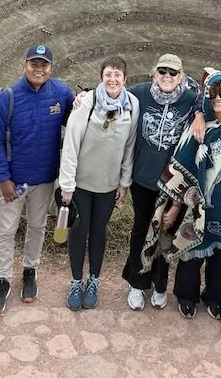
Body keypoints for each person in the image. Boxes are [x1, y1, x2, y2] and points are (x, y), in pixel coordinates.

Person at [145, 72, 221, 321]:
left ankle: (215, 296)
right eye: (212, 94)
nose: (218, 98)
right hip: (199, 205)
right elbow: (183, 165)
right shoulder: (197, 129)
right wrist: (176, 206)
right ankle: (186, 295)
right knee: (194, 249)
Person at [0, 44, 75, 313]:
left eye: (44, 65)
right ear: (25, 65)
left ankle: (29, 271)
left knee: (37, 227)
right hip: (13, 181)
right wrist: (2, 179)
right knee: (6, 230)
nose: (39, 69)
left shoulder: (61, 93)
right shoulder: (7, 98)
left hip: (45, 179)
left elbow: (76, 124)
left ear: (51, 68)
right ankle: (2, 279)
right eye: (34, 64)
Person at [58, 55, 139, 311]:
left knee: (99, 232)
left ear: (125, 79)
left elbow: (130, 147)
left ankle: (94, 280)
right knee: (78, 231)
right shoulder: (87, 103)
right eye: (108, 75)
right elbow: (70, 143)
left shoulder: (132, 106)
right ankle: (75, 281)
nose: (112, 79)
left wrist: (124, 183)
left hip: (108, 185)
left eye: (117, 75)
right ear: (101, 78)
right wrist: (67, 184)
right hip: (81, 184)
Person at [121, 52, 200, 311]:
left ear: (181, 77)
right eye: (163, 71)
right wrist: (83, 96)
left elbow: (212, 103)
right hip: (142, 178)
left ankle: (159, 283)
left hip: (172, 183)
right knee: (142, 229)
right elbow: (113, 94)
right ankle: (136, 282)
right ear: (154, 73)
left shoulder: (190, 100)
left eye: (173, 73)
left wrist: (199, 114)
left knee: (165, 232)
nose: (167, 76)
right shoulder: (140, 93)